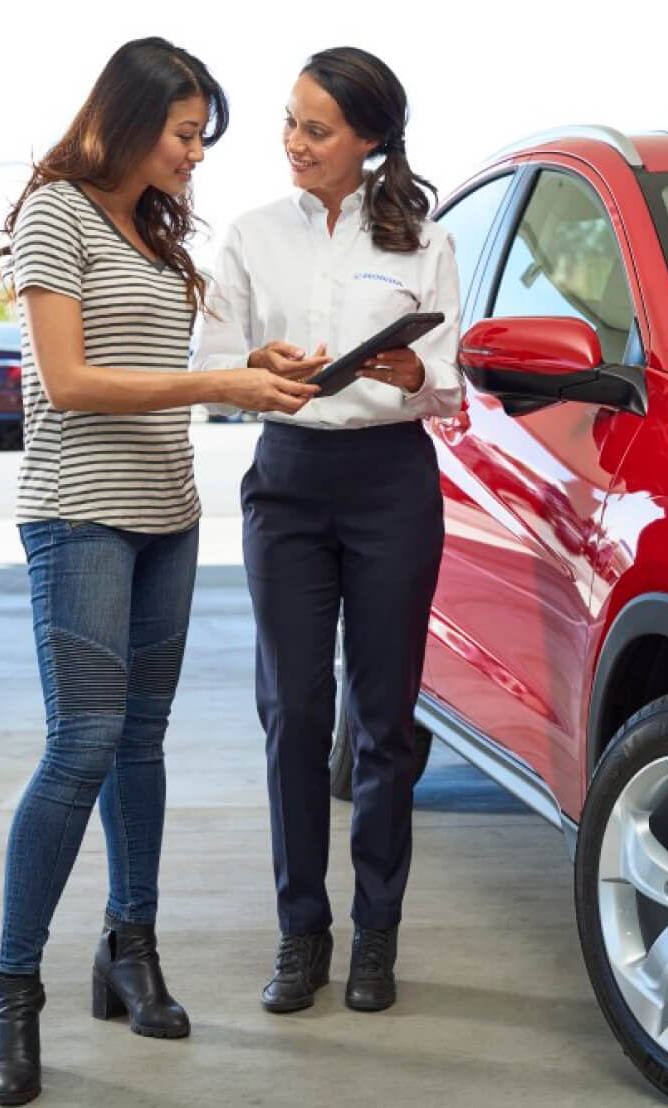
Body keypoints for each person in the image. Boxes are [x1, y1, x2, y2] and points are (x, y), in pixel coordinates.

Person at [0, 37, 319, 1106]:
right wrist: (219, 380)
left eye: (200, 139)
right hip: (79, 515)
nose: (195, 157)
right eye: (183, 135)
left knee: (139, 741)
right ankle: (14, 986)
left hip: (168, 516)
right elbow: (71, 383)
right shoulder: (55, 214)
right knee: (80, 742)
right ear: (128, 120)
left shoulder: (159, 237)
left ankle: (130, 951)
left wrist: (249, 366)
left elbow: (174, 365)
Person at [193, 45, 462, 1016]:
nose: (293, 143)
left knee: (385, 725)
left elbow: (448, 384)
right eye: (291, 122)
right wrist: (251, 363)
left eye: (315, 128)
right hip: (289, 481)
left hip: (392, 481)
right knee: (295, 716)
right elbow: (212, 358)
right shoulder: (254, 233)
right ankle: (301, 928)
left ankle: (376, 938)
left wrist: (410, 377)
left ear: (369, 139)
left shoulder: (422, 237)